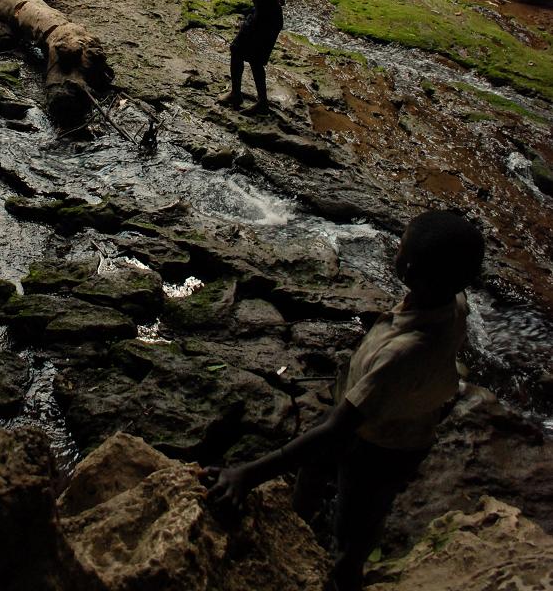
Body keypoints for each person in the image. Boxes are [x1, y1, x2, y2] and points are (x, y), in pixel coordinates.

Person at [204, 210, 485, 591]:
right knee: (319, 464)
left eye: (400, 246)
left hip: (381, 445)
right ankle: (302, 518)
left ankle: (344, 569)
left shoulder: (403, 354)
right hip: (393, 415)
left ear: (410, 269)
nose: (396, 248)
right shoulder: (454, 302)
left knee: (356, 515)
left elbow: (337, 430)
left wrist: (246, 475)